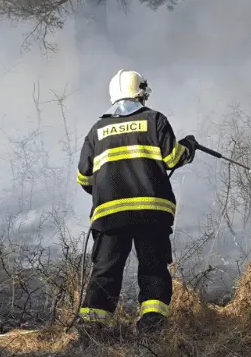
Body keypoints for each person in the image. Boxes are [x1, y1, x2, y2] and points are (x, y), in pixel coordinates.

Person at [75, 69, 200, 336]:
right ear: (141, 93)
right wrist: (189, 146)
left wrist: (108, 189)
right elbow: (172, 158)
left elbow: (84, 178)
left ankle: (91, 331)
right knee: (153, 267)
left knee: (106, 269)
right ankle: (152, 328)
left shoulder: (97, 130)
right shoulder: (154, 120)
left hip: (110, 216)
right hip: (151, 213)